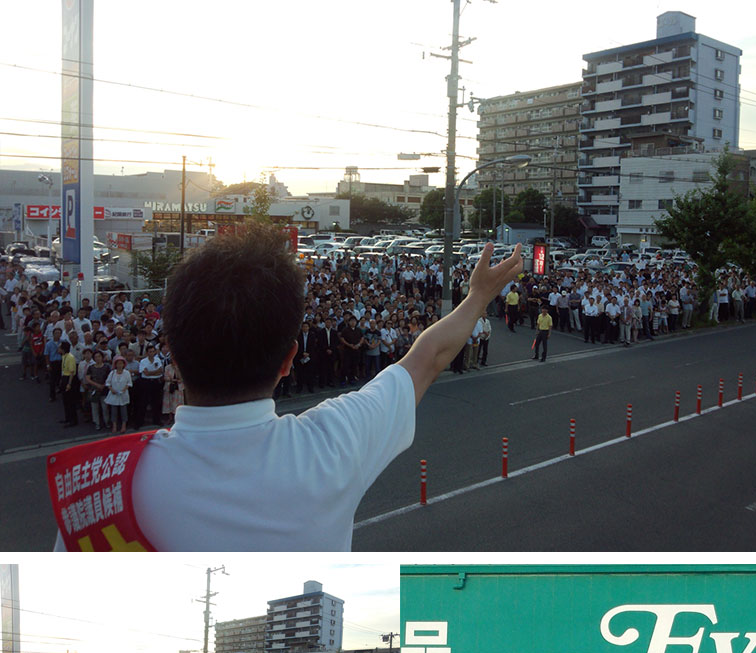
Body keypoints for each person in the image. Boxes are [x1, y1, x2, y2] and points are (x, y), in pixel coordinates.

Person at [50, 227, 522, 551]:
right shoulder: (335, 442)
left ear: (172, 351)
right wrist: (478, 296)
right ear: (289, 359)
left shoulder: (97, 484)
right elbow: (428, 357)